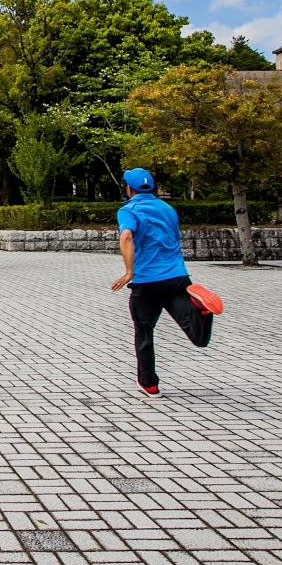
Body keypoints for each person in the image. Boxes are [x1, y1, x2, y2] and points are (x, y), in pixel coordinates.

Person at [109, 167, 213, 396]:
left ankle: (150, 383)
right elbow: (175, 239)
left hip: (147, 282)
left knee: (144, 332)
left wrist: (129, 272)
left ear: (129, 188)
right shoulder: (168, 209)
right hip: (177, 278)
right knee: (197, 336)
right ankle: (203, 314)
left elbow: (126, 236)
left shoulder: (129, 210)